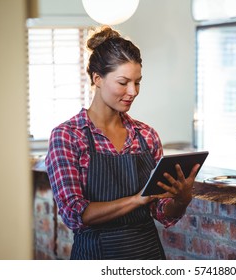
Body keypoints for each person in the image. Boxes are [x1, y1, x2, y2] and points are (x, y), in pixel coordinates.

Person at [45, 25, 200, 260]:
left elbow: (160, 210)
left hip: (147, 253)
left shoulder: (146, 136)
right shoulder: (67, 136)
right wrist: (137, 199)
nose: (133, 91)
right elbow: (75, 213)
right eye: (123, 82)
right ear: (97, 78)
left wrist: (181, 201)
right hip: (95, 256)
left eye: (137, 82)